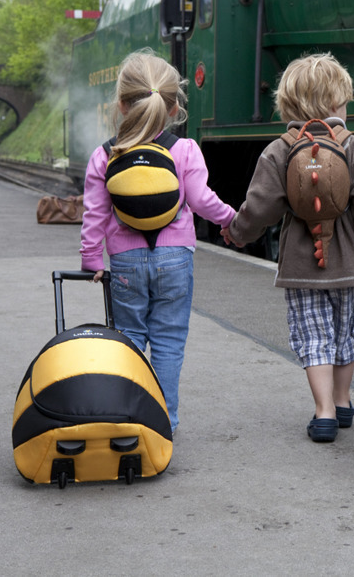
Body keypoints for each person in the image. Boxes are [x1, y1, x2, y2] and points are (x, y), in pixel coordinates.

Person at [221, 52, 354, 443]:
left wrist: (237, 232)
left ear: (288, 104)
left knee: (312, 336)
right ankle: (343, 400)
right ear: (338, 102)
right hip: (349, 265)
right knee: (344, 334)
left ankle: (323, 413)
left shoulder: (280, 149)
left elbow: (259, 207)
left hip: (302, 267)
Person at [80, 49, 236, 436]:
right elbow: (202, 201)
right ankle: (164, 420)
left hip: (126, 260)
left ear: (120, 104)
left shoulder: (105, 154)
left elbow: (95, 215)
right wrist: (233, 220)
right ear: (172, 108)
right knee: (168, 342)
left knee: (129, 337)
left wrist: (90, 259)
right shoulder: (184, 150)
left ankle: (127, 415)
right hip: (175, 259)